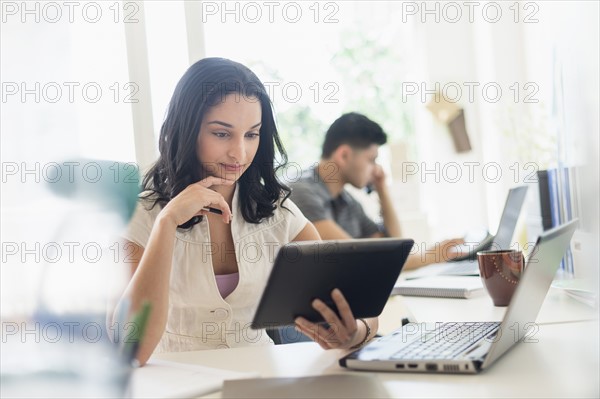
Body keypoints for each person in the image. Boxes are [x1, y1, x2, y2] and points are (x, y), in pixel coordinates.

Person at [115, 58, 378, 366]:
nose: (239, 153)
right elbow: (129, 349)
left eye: (252, 134)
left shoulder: (278, 212)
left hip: (260, 380)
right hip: (174, 385)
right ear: (186, 129)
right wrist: (167, 223)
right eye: (221, 133)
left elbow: (362, 307)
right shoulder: (142, 214)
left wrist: (355, 333)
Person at [289, 112, 463, 270]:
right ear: (343, 155)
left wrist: (382, 189)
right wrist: (431, 256)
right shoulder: (301, 192)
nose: (377, 169)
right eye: (371, 160)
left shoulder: (347, 201)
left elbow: (393, 248)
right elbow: (359, 260)